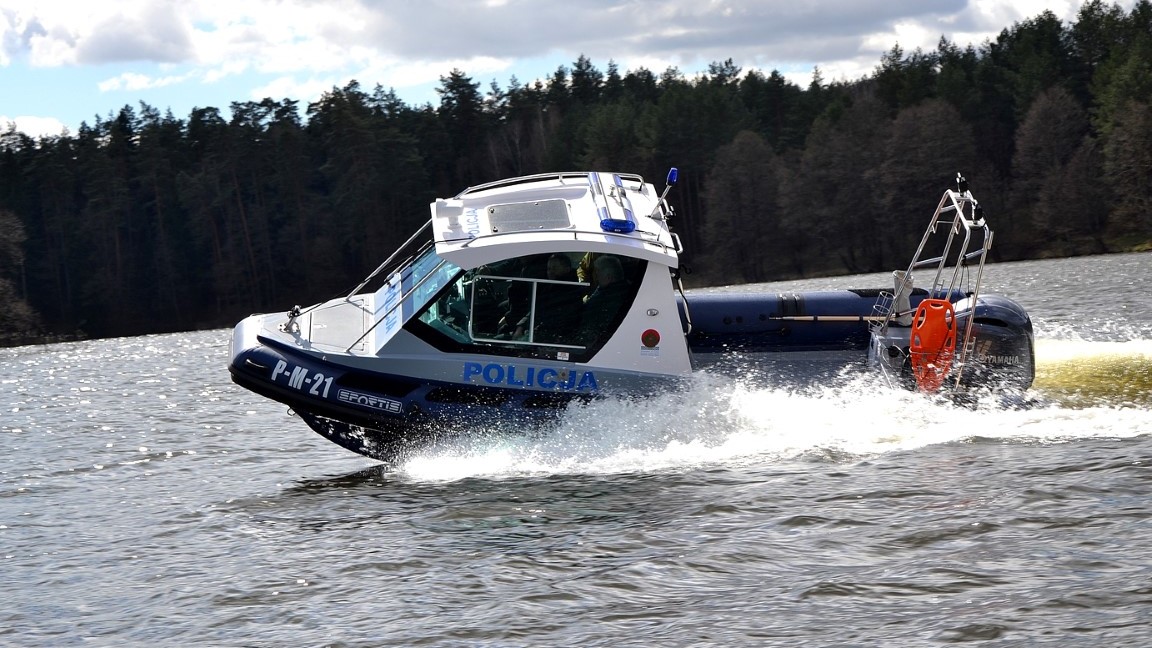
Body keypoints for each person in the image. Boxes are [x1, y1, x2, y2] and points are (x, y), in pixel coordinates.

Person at [533, 254, 585, 344]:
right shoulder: (550, 286)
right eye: (549, 269)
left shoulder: (570, 290)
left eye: (555, 268)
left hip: (554, 338)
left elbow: (556, 318)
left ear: (567, 269)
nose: (550, 272)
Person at [578, 255, 631, 344]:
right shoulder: (623, 289)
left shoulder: (610, 298)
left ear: (609, 277)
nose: (596, 278)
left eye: (598, 273)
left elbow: (592, 326)